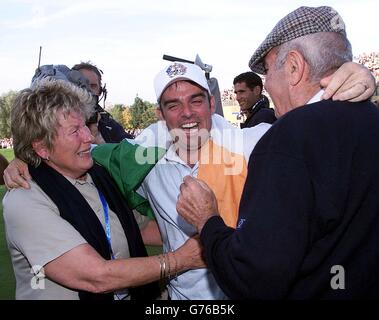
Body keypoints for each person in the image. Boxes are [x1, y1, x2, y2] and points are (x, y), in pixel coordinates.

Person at [3, 59, 377, 300]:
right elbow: (72, 155)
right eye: (173, 104)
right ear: (159, 113)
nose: (186, 113)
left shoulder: (252, 144)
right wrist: (22, 161)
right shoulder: (144, 159)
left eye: (196, 100)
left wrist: (348, 83)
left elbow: (311, 126)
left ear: (212, 104)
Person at [176, 6, 379, 299]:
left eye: (269, 70)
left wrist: (207, 222)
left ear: (294, 67)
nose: (267, 83)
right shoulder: (369, 119)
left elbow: (253, 278)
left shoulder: (288, 136)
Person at [2, 79, 205, 300]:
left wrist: (212, 230)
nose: (89, 137)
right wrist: (180, 259)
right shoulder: (25, 199)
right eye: (75, 131)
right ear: (42, 148)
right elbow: (96, 276)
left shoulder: (98, 175)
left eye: (85, 126)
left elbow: (144, 229)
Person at [72, 61, 134, 143]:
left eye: (92, 86)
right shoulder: (57, 123)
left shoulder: (110, 125)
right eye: (81, 84)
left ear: (100, 91)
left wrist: (97, 136)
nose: (88, 90)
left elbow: (131, 151)